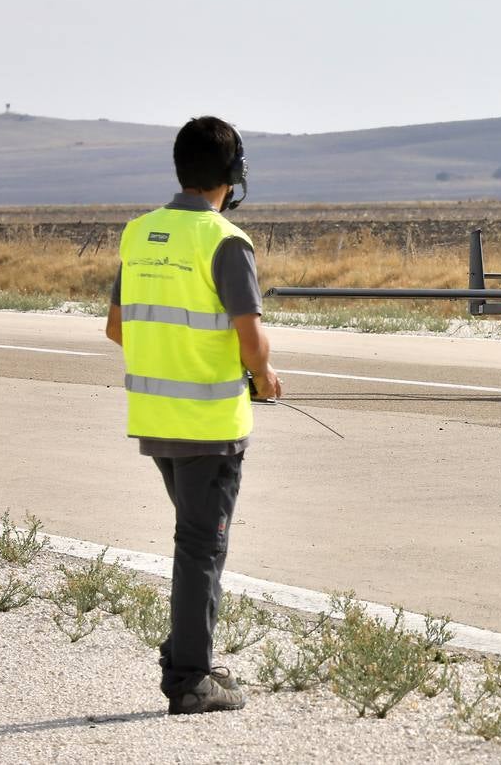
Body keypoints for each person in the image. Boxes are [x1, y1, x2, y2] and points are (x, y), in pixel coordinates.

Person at [105, 115, 281, 715]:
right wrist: (264, 379)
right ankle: (189, 680)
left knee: (196, 541)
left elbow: (116, 327)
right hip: (210, 426)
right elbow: (251, 339)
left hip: (155, 420)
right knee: (202, 547)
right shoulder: (226, 241)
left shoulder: (137, 234)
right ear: (232, 177)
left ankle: (191, 653)